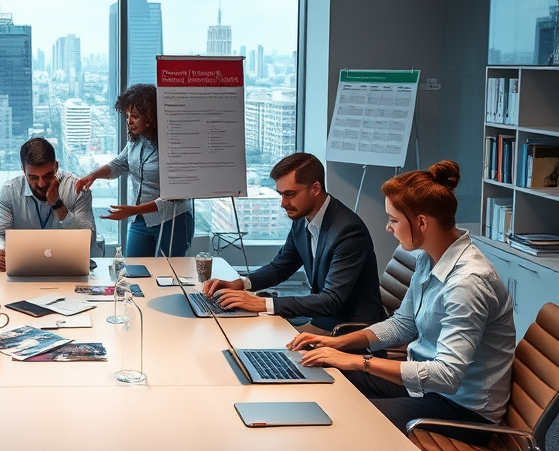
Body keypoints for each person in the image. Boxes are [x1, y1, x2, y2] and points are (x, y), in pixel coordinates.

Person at [288, 161, 515, 443]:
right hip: (424, 386)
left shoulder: (467, 282)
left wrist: (359, 361)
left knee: (345, 417)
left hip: (461, 409)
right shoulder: (427, 258)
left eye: (394, 220)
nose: (387, 228)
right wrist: (337, 344)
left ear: (421, 222)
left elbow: (447, 376)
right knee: (321, 369)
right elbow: (403, 325)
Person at [203, 152, 385, 333]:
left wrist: (262, 303)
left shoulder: (348, 231)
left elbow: (331, 301)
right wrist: (242, 283)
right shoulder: (302, 218)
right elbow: (281, 266)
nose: (283, 203)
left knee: (262, 342)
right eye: (281, 194)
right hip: (321, 318)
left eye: (290, 194)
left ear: (315, 189)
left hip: (348, 329)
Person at [75, 83, 193, 257]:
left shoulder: (173, 146)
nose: (129, 121)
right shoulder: (137, 140)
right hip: (141, 220)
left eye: (135, 116)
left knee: (166, 278)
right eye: (128, 115)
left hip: (172, 221)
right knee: (134, 270)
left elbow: (174, 197)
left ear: (152, 117)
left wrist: (134, 210)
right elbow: (120, 164)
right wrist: (93, 176)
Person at [0, 137, 95, 272]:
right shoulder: (10, 191)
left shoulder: (76, 189)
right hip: (23, 271)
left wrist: (58, 206)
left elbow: (88, 243)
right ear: (23, 170)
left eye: (48, 175)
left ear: (56, 167)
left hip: (67, 271)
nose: (41, 184)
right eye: (33, 177)